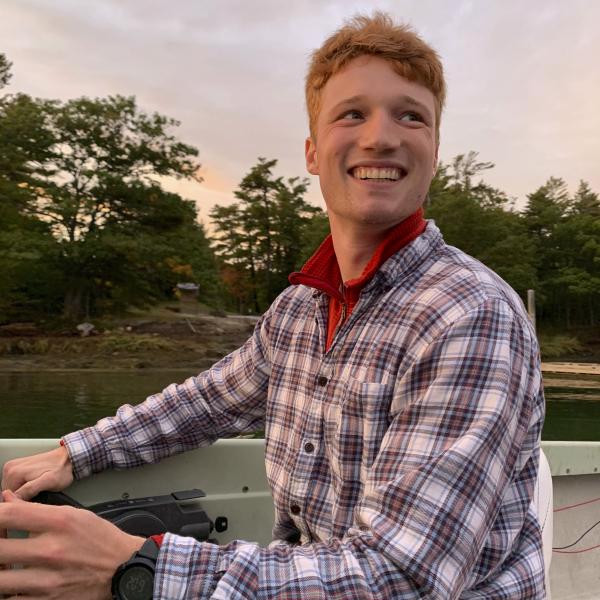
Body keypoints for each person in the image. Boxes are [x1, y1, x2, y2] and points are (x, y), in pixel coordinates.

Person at [0, 12, 546, 599]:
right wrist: (79, 452)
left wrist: (139, 568)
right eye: (352, 113)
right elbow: (206, 403)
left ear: (434, 150)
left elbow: (402, 578)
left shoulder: (472, 315)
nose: (380, 136)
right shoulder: (299, 310)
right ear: (313, 152)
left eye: (410, 115)